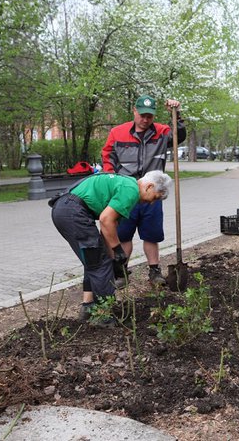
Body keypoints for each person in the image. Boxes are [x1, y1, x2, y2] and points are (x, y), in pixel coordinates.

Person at [51, 170, 173, 324]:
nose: (152, 203)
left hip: (65, 209)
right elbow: (105, 219)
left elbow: (109, 227)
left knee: (94, 259)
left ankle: (88, 307)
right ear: (149, 187)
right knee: (100, 264)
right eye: (155, 198)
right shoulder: (131, 191)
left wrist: (114, 259)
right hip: (72, 212)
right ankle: (104, 316)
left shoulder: (127, 184)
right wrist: (118, 251)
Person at [102, 95, 185, 287]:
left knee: (152, 234)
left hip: (152, 193)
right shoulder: (118, 132)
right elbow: (108, 156)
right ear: (134, 111)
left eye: (150, 116)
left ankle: (154, 272)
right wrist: (110, 178)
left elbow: (178, 137)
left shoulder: (163, 132)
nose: (146, 120)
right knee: (123, 235)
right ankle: (121, 272)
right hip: (125, 193)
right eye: (142, 115)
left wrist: (177, 115)